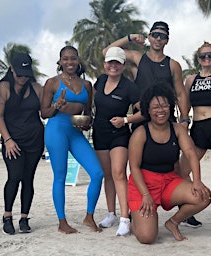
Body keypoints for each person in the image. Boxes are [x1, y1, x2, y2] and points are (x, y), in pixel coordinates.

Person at [103, 21, 201, 227]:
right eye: (154, 34)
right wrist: (129, 38)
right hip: (141, 120)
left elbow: (181, 92)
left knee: (174, 166)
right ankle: (135, 207)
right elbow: (108, 52)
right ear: (148, 37)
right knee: (138, 164)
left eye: (162, 36)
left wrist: (184, 119)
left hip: (167, 119)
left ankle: (183, 209)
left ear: (166, 40)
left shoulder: (173, 64)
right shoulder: (139, 58)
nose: (158, 38)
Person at [128, 83, 211, 244]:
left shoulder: (177, 129)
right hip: (144, 184)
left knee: (203, 196)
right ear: (148, 110)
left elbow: (191, 154)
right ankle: (135, 219)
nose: (160, 110)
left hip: (169, 181)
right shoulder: (140, 133)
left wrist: (197, 181)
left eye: (164, 105)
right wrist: (145, 195)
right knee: (147, 237)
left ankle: (172, 222)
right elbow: (134, 168)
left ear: (170, 107)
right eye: (155, 107)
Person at [41, 45, 104, 234]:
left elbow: (87, 114)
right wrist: (56, 106)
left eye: (73, 58)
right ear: (60, 62)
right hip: (56, 130)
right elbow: (44, 113)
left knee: (97, 173)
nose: (70, 62)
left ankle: (89, 216)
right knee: (60, 176)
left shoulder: (87, 85)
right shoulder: (51, 83)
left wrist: (86, 123)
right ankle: (62, 222)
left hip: (75, 132)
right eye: (65, 59)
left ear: (78, 61)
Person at [178, 41, 211, 227]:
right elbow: (184, 103)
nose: (206, 59)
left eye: (210, 55)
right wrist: (183, 124)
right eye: (203, 56)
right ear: (199, 59)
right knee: (183, 169)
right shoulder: (191, 80)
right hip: (198, 127)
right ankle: (189, 210)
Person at [93, 47, 144, 236]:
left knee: (118, 173)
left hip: (119, 134)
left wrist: (125, 120)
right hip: (99, 133)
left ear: (123, 65)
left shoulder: (130, 87)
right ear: (105, 64)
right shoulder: (100, 81)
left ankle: (125, 218)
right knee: (108, 175)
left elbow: (144, 111)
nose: (113, 66)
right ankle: (111, 214)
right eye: (110, 62)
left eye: (117, 63)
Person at [0, 52, 44, 235]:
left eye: (26, 73)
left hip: (35, 140)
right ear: (12, 69)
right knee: (14, 176)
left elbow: (45, 112)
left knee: (28, 178)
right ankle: (7, 216)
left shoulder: (37, 88)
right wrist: (7, 140)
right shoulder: (4, 87)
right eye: (19, 73)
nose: (23, 77)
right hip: (12, 141)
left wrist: (59, 105)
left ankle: (24, 217)